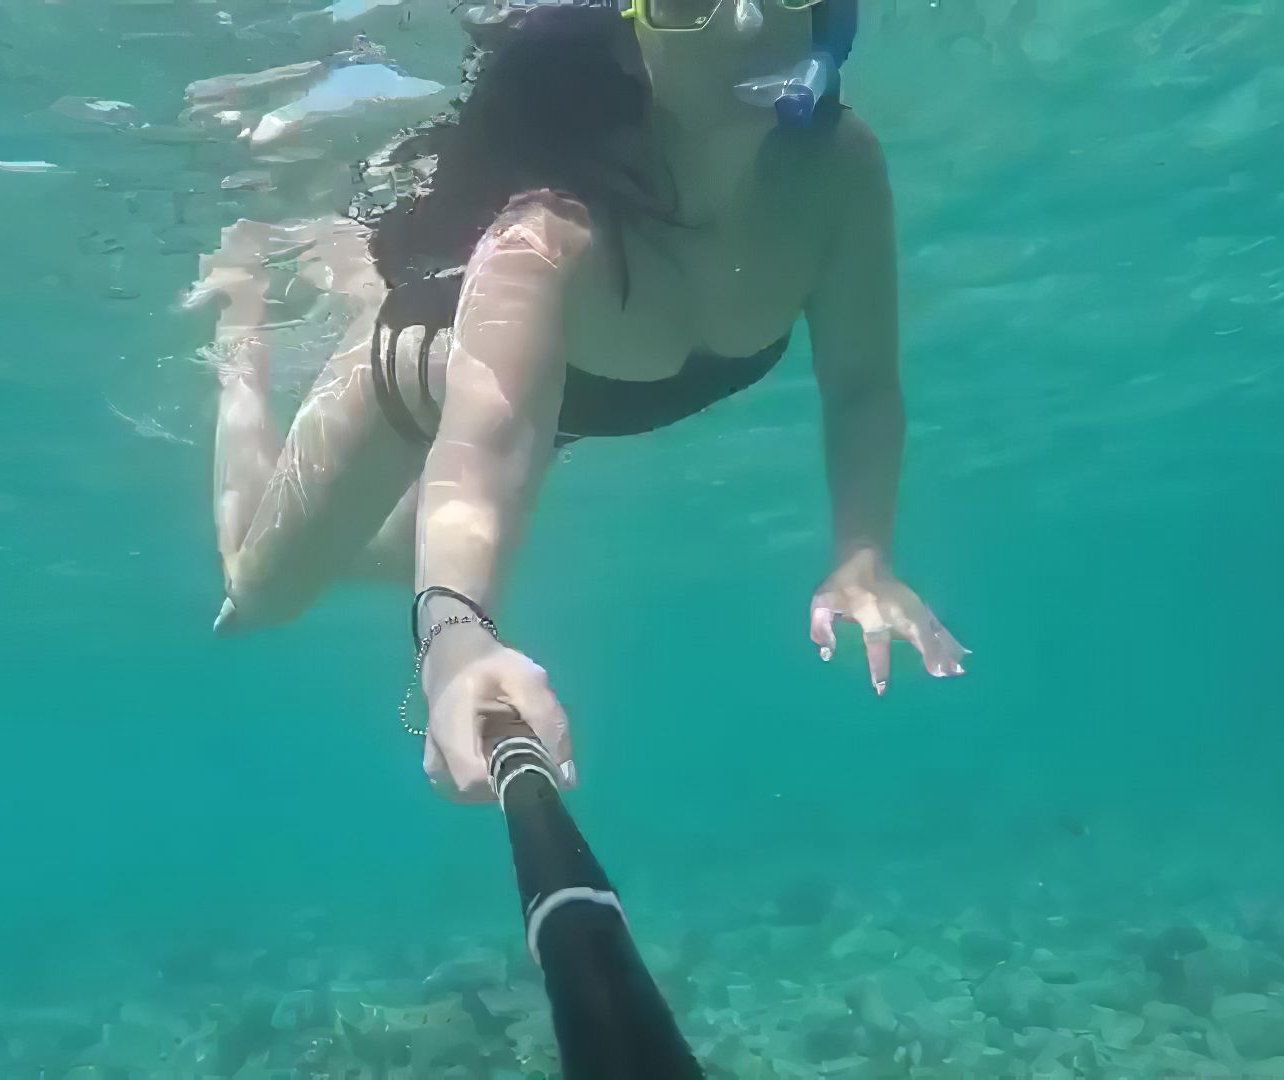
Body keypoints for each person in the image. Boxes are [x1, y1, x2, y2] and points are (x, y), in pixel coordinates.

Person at [194, 0, 967, 803]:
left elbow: (863, 385)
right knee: (262, 594)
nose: (745, 24)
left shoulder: (839, 174)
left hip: (544, 408)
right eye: (685, 3)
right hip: (418, 376)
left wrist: (863, 555)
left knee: (400, 557)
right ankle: (241, 326)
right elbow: (488, 449)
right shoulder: (548, 236)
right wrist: (456, 644)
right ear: (630, 39)